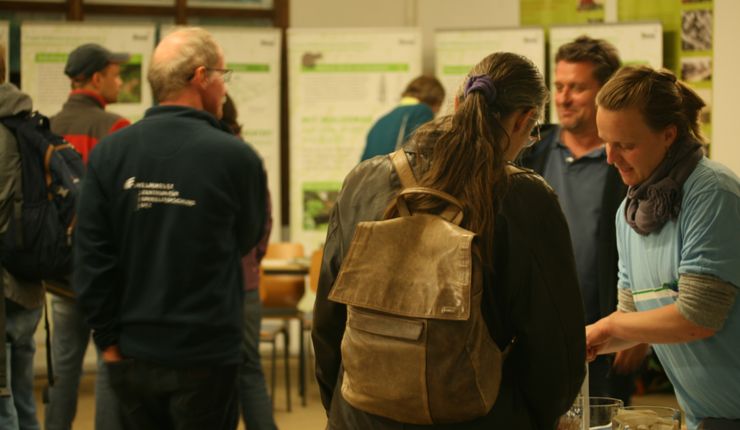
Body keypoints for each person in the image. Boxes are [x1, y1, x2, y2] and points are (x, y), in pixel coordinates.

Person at [313, 52, 586, 429]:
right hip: (479, 415)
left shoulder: (363, 180)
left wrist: (343, 412)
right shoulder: (523, 196)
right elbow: (555, 344)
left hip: (361, 414)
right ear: (525, 120)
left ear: (458, 103)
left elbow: (328, 319)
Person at [73, 27, 267, 430]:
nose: (224, 91)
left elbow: (92, 256)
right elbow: (246, 239)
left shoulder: (112, 152)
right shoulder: (237, 157)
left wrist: (108, 344)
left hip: (131, 353)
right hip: (208, 356)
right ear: (201, 77)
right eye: (223, 77)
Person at [586, 66, 740, 429]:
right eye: (605, 142)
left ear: (669, 134)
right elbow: (633, 320)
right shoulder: (631, 212)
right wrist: (590, 340)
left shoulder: (711, 193)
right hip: (708, 418)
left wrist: (607, 328)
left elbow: (698, 316)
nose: (610, 158)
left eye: (626, 145)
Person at [518, 35, 645, 404]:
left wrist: (640, 332)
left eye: (577, 87)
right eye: (558, 87)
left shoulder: (630, 163)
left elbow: (653, 248)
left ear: (605, 91)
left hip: (607, 341)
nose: (563, 98)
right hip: (533, 340)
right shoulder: (530, 153)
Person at [46, 42, 131, 430]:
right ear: (97, 78)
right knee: (110, 366)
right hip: (107, 274)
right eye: (115, 74)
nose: (119, 81)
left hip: (62, 275)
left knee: (63, 370)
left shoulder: (46, 129)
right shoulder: (115, 128)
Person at [221, 94, 277, 430]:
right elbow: (263, 220)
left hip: (222, 285)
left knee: (216, 375)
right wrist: (252, 259)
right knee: (249, 369)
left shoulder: (208, 153)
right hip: (245, 283)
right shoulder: (246, 154)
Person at [0, 44, 45, 430]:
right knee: (22, 396)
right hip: (28, 279)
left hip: (4, 282)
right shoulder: (27, 123)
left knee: (3, 405)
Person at [360, 75, 445, 161]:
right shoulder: (422, 111)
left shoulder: (381, 120)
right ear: (435, 100)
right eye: (440, 105)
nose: (438, 111)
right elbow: (424, 154)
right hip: (396, 173)